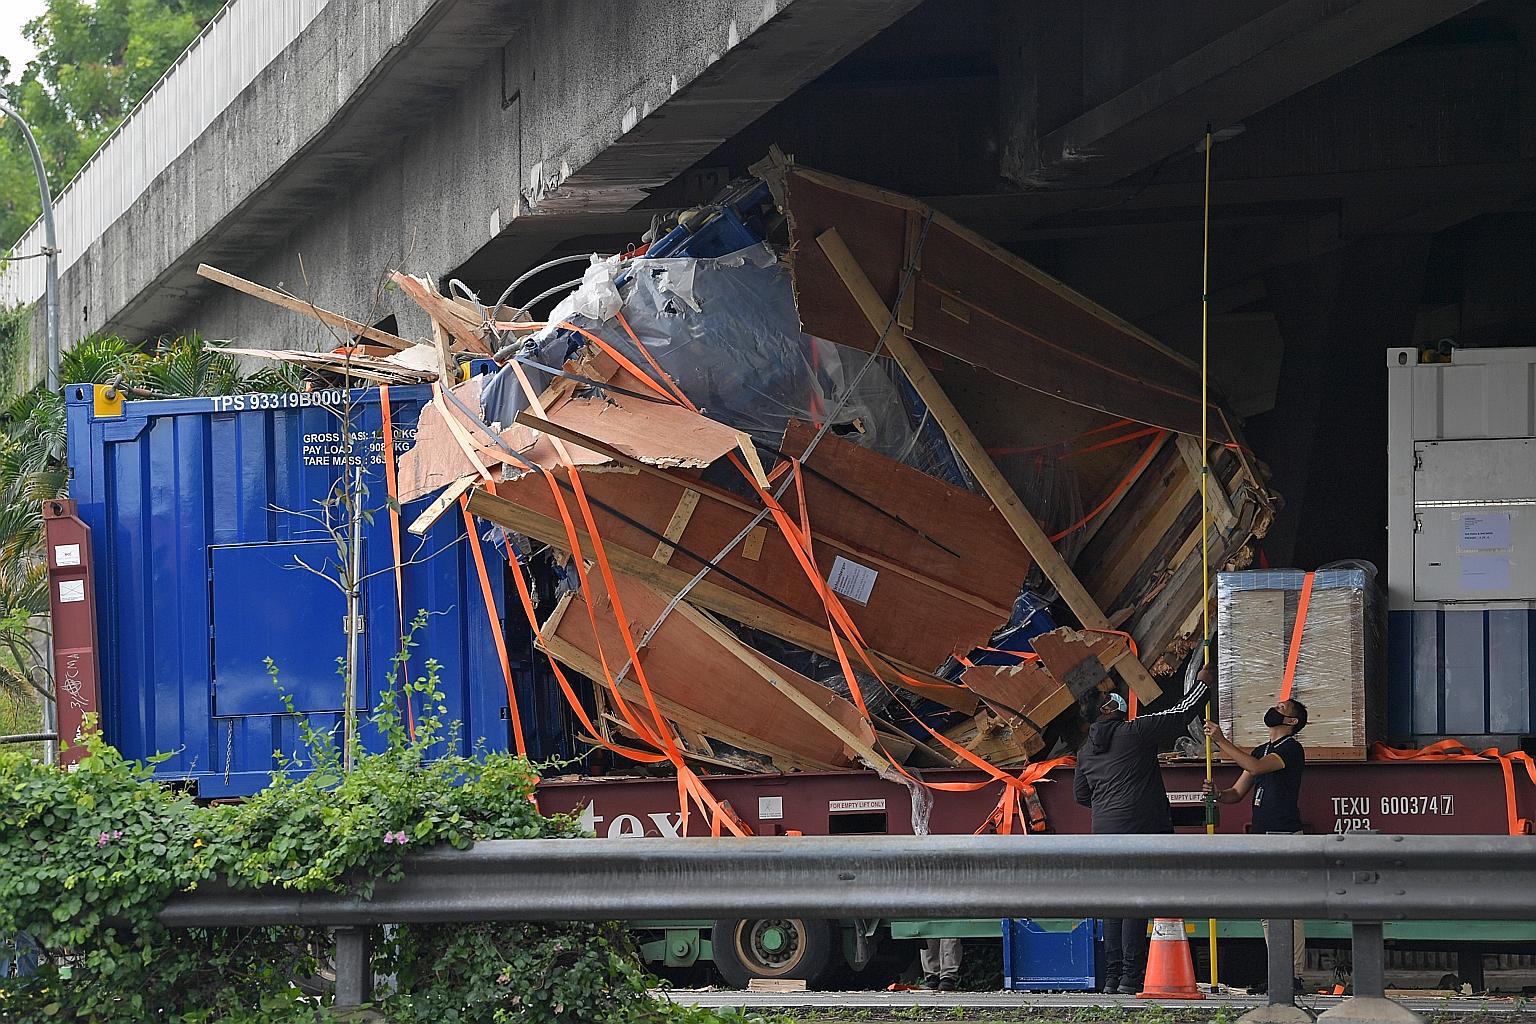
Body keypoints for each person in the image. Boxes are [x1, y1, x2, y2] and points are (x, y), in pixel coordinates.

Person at [1073, 674, 1209, 995]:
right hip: (1142, 829)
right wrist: (1202, 685)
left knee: (1113, 904)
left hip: (1104, 832)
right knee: (1136, 900)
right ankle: (1130, 978)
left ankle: (1112, 978)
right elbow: (1180, 714)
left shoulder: (1085, 751)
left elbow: (1081, 795)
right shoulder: (1134, 732)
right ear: (1108, 708)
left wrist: (1109, 800)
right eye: (1112, 697)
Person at [1204, 697, 1310, 990]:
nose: (1275, 707)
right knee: (1266, 908)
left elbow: (1255, 767)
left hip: (1284, 836)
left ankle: (1293, 974)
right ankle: (1279, 971)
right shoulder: (1262, 749)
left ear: (1291, 721)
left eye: (1282, 708)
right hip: (1263, 837)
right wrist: (1216, 793)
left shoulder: (1291, 749)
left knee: (1289, 908)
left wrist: (1221, 740)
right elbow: (1236, 793)